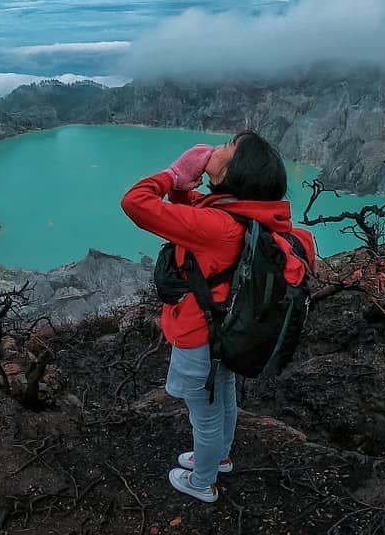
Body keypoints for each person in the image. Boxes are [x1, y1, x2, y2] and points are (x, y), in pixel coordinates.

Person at [120, 130, 316, 503]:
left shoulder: (219, 227)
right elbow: (189, 213)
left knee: (204, 415)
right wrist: (183, 188)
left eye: (229, 146)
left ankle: (203, 482)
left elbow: (135, 203)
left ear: (231, 174)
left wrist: (172, 174)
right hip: (223, 334)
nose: (219, 146)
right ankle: (220, 457)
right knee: (222, 395)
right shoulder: (244, 215)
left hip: (199, 336)